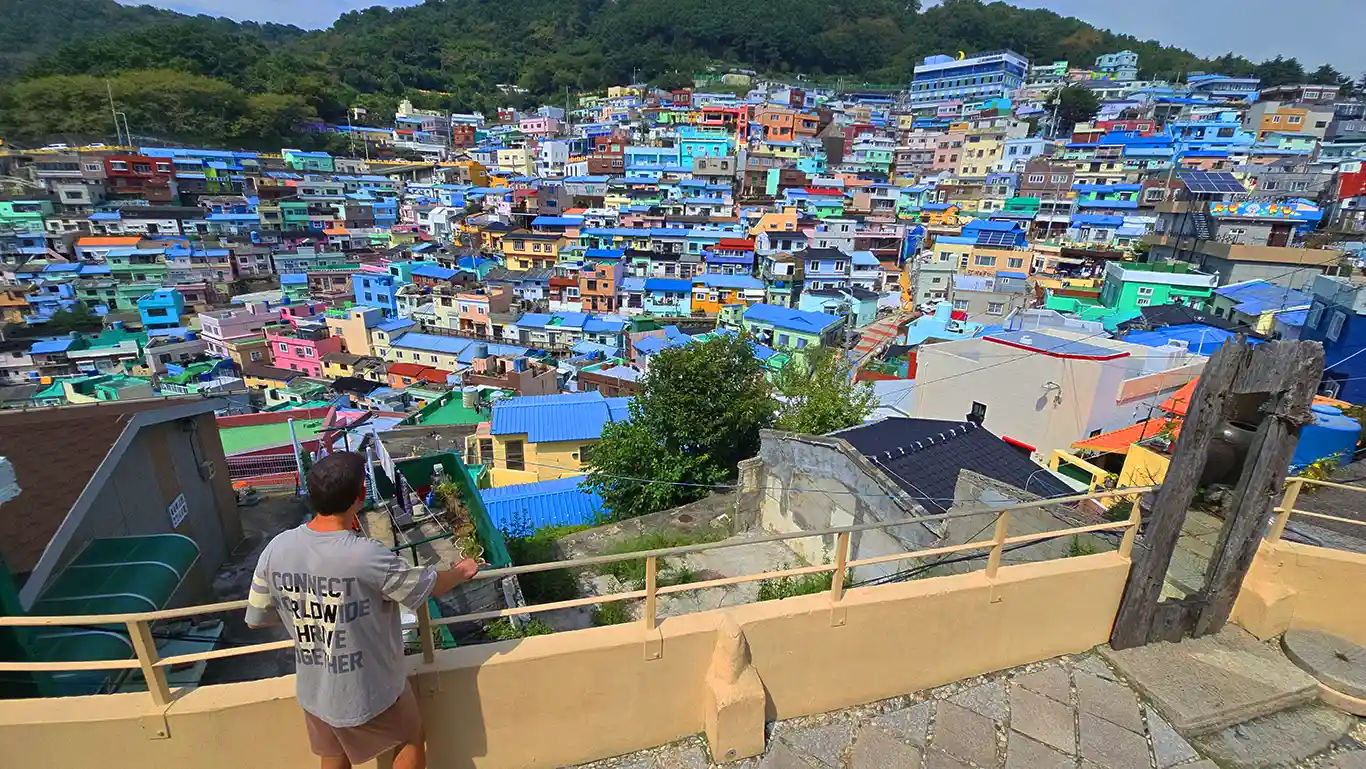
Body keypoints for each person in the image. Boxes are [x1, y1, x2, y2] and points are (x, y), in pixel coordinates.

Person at [246, 452, 480, 769]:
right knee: (410, 737)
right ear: (360, 495)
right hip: (370, 688)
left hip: (315, 688)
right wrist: (462, 571)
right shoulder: (364, 555)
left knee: (334, 751)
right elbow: (423, 586)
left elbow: (257, 617)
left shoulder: (277, 547)